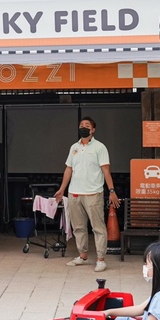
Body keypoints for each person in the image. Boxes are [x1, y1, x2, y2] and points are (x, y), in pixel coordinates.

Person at [53, 116, 121, 273]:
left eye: (87, 125)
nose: (83, 127)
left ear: (93, 130)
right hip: (74, 193)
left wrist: (111, 191)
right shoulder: (74, 148)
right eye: (81, 125)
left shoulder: (100, 147)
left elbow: (106, 171)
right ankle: (82, 256)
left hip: (93, 193)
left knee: (98, 227)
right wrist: (62, 189)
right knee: (78, 227)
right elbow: (68, 169)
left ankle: (101, 259)